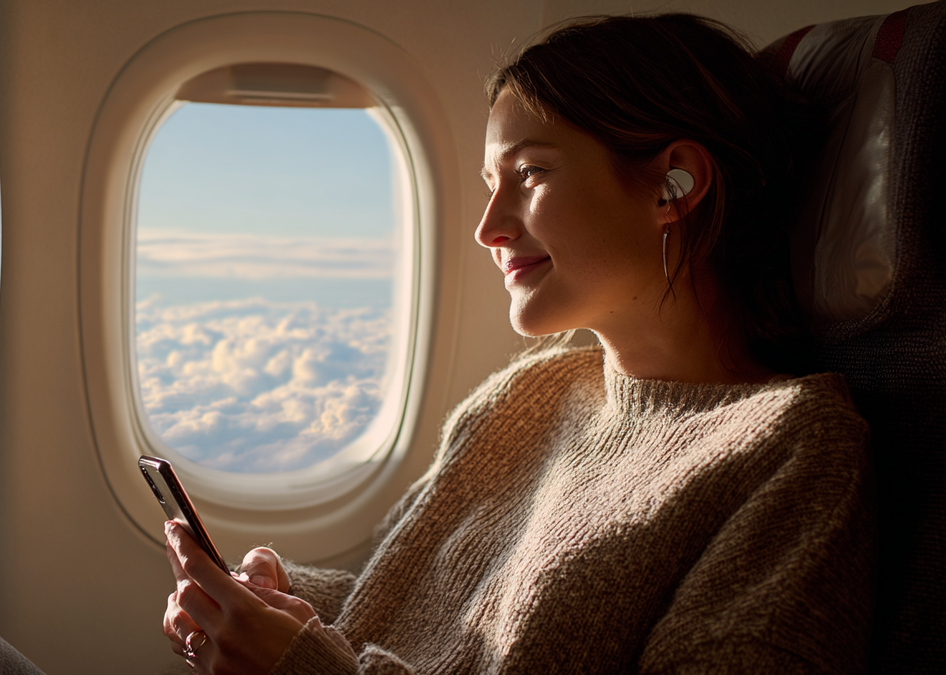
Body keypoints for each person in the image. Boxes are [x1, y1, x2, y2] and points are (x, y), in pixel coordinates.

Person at [162, 13, 876, 675]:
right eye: (488, 183)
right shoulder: (529, 394)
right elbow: (420, 616)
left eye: (529, 173)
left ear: (673, 183)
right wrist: (280, 599)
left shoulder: (791, 450)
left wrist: (302, 664)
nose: (488, 227)